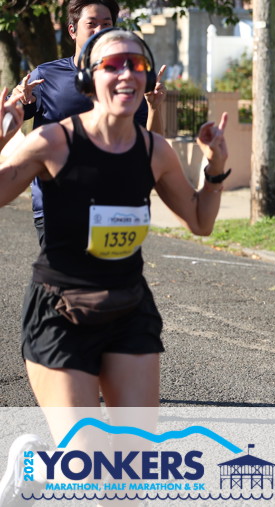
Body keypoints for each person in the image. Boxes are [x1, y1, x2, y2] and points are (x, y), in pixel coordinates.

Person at [0, 28, 228, 503]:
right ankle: (35, 466)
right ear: (88, 78)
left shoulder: (154, 151)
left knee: (130, 476)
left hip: (128, 311)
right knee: (88, 471)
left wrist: (215, 169)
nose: (126, 73)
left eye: (135, 64)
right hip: (59, 313)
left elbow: (201, 221)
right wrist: (3, 131)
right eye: (112, 65)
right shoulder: (52, 141)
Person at [6, 0, 167, 244]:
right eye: (91, 24)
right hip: (56, 207)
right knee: (63, 270)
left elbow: (153, 146)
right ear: (72, 30)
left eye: (106, 24)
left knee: (112, 271)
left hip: (113, 208)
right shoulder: (44, 77)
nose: (99, 30)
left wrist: (154, 106)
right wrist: (16, 104)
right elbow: (7, 123)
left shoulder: (126, 81)